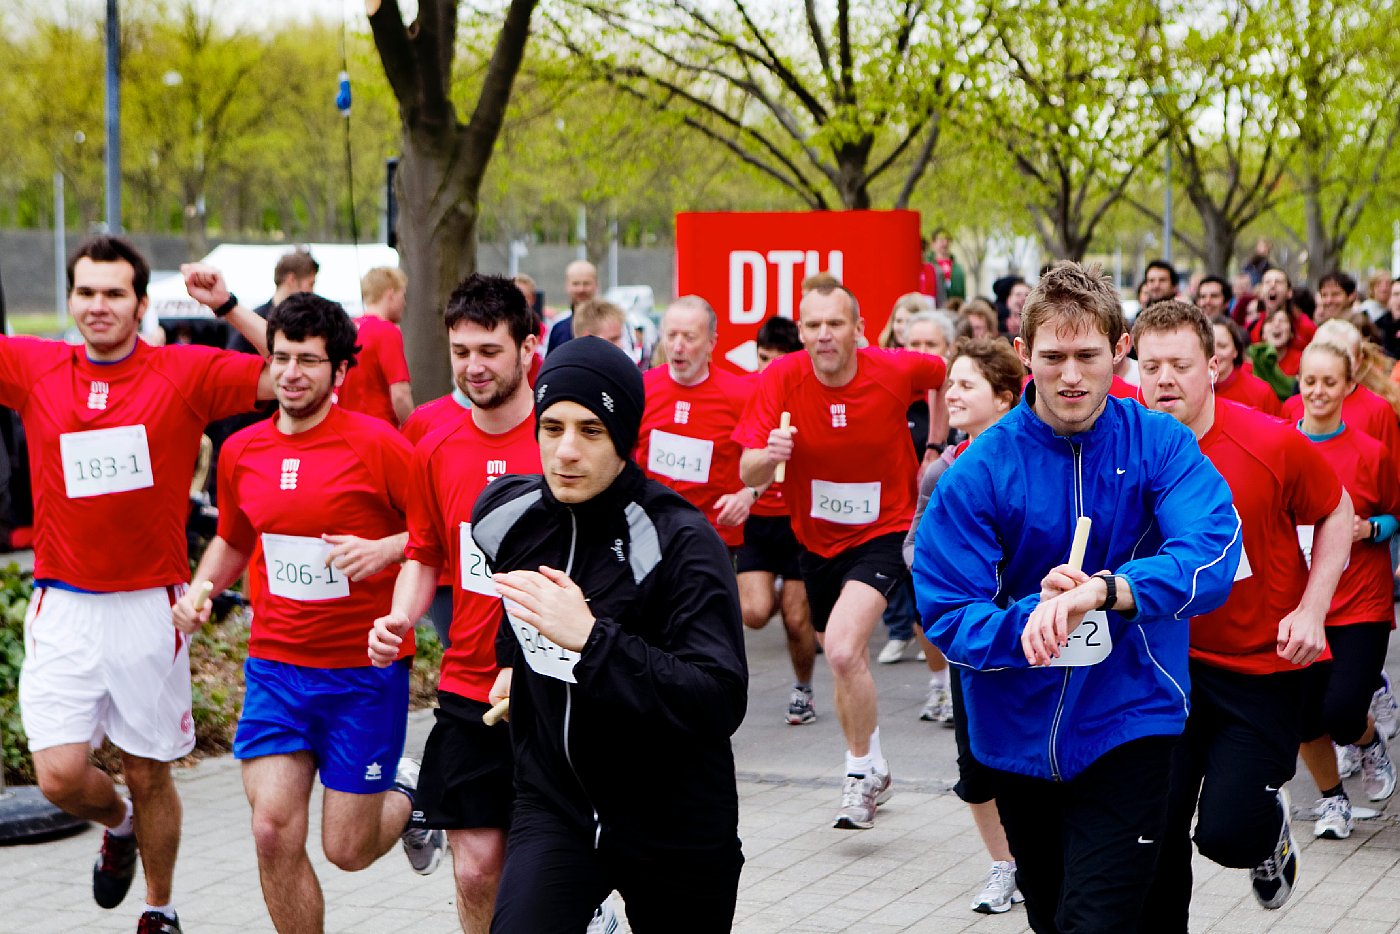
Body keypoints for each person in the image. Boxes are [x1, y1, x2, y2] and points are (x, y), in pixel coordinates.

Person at [914, 267, 1241, 934]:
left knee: (1095, 922)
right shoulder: (980, 470)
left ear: (1119, 350)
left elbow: (1212, 548)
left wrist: (1112, 589)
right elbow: (948, 608)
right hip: (1014, 735)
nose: (1070, 376)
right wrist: (1027, 625)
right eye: (1053, 357)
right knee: (1055, 916)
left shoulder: (1160, 444)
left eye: (1088, 356)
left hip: (1131, 723)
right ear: (1023, 351)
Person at [8, 237, 272, 934]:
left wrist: (228, 305)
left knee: (150, 772)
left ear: (141, 303)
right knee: (59, 776)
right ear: (70, 301)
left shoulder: (182, 372)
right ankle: (117, 825)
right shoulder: (35, 367)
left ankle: (160, 909)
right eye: (87, 292)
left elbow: (301, 366)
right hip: (63, 604)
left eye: (114, 293)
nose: (99, 306)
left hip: (150, 609)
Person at [171, 292, 435, 934]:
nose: (291, 372)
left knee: (346, 849)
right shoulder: (242, 452)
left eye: (309, 361)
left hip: (362, 677)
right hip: (277, 670)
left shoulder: (381, 447)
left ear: (340, 371)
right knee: (270, 831)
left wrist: (383, 549)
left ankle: (415, 800)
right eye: (281, 357)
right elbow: (235, 538)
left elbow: (434, 538)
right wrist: (201, 591)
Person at [473, 336, 747, 932]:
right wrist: (510, 664)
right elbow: (516, 604)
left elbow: (720, 697)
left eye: (590, 430)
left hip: (673, 819)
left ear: (623, 437)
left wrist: (592, 640)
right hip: (556, 805)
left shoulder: (681, 541)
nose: (566, 451)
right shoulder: (505, 517)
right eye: (552, 427)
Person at [1135, 300, 1352, 925]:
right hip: (1166, 668)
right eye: (1152, 367)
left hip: (1261, 670)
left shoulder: (1268, 442)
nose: (1165, 380)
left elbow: (1336, 511)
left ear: (1212, 368)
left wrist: (1313, 609)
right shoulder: (1122, 444)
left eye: (1180, 364)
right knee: (1154, 827)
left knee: (1226, 834)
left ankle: (1266, 834)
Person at [365, 274, 542, 933]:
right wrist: (399, 617)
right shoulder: (431, 437)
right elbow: (426, 552)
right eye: (461, 351)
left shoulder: (562, 435)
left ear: (526, 347)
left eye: (490, 351)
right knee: (474, 868)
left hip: (559, 686)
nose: (474, 366)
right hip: (471, 685)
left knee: (556, 862)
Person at [736, 281, 947, 830]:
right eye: (812, 325)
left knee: (846, 649)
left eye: (835, 323)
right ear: (801, 331)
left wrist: (933, 445)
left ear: (857, 328)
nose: (823, 335)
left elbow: (940, 376)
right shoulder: (781, 376)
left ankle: (856, 777)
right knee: (840, 655)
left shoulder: (896, 369)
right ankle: (874, 759)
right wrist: (767, 457)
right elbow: (747, 469)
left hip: (885, 529)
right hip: (816, 538)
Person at [905, 337, 1026, 914]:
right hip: (970, 643)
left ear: (1004, 398)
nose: (951, 394)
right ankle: (1004, 865)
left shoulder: (1031, 464)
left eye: (966, 384)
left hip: (1032, 640)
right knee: (975, 766)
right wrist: (948, 568)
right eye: (950, 384)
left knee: (1028, 757)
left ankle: (1036, 857)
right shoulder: (939, 473)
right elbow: (913, 547)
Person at [1287, 341, 1400, 842]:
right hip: (1299, 599)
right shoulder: (1281, 444)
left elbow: (1397, 512)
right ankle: (1334, 801)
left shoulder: (1371, 452)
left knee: (1341, 709)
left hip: (1361, 601)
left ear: (1349, 387)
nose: (1318, 391)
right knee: (1303, 714)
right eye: (1310, 381)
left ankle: (1369, 740)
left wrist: (1370, 529)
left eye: (1329, 382)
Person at [737, 316, 819, 725]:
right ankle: (781, 590)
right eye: (762, 357)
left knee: (796, 618)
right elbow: (738, 462)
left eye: (777, 359)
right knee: (753, 612)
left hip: (800, 523)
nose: (767, 367)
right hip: (759, 521)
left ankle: (803, 689)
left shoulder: (812, 395)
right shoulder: (750, 395)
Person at [636, 296, 755, 558]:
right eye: (672, 335)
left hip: (712, 534)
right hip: (650, 530)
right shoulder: (642, 387)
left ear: (711, 342)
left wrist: (748, 496)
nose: (678, 347)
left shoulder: (740, 395)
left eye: (689, 337)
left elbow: (765, 459)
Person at [337, 266, 413, 427]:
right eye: (403, 295)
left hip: (346, 428)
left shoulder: (346, 329)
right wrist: (414, 430)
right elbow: (400, 394)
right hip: (379, 429)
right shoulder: (386, 331)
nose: (404, 303)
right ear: (391, 295)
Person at [226, 249, 318, 356]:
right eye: (310, 284)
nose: (312, 291)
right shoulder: (253, 320)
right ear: (291, 279)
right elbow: (232, 359)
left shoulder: (310, 321)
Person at [1212, 316, 1283, 415]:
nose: (1214, 353)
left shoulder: (1261, 392)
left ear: (1236, 350)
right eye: (1208, 346)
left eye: (1223, 346)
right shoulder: (1192, 389)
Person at [544, 259, 600, 353]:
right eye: (576, 284)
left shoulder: (611, 324)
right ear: (567, 286)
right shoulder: (558, 327)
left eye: (586, 283)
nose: (581, 289)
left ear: (596, 285)